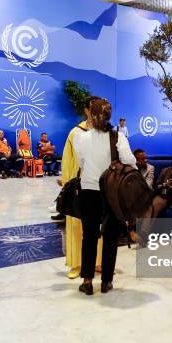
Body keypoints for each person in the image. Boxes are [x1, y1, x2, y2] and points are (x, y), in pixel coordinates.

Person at [74, 99, 136, 295]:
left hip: (88, 192)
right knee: (110, 237)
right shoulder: (118, 137)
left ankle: (87, 281)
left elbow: (82, 163)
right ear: (109, 115)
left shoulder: (80, 137)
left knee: (89, 237)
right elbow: (129, 161)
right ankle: (107, 281)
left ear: (90, 115)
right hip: (112, 194)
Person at [61, 96, 103, 279]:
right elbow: (67, 161)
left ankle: (98, 262)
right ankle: (76, 264)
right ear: (87, 110)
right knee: (76, 225)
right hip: (79, 187)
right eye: (94, 108)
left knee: (99, 227)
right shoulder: (75, 133)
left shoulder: (106, 132)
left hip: (100, 188)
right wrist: (67, 185)